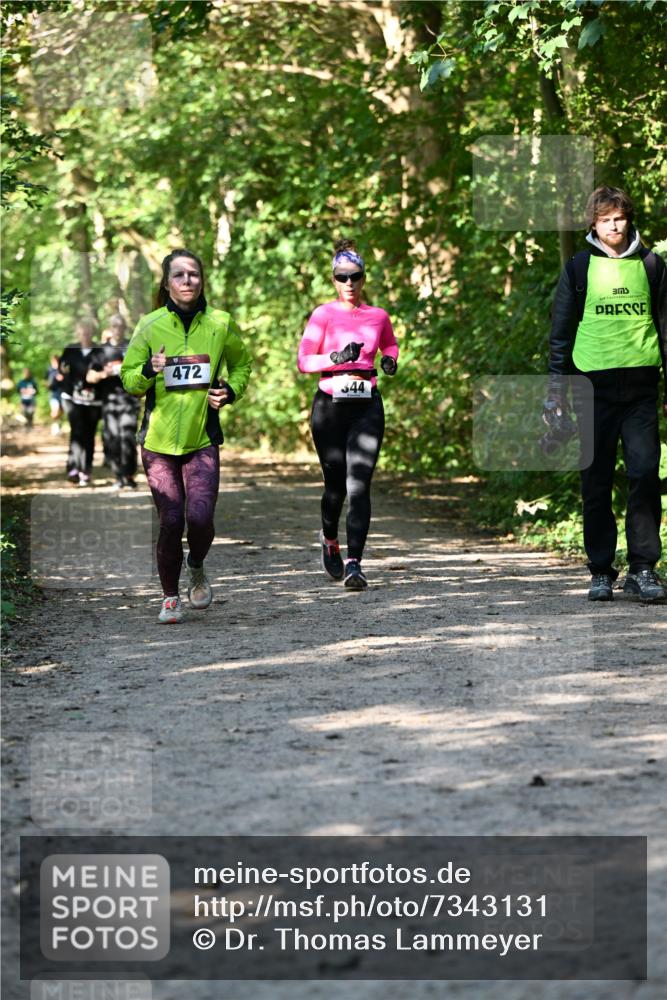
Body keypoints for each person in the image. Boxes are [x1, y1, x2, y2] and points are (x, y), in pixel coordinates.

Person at [546, 185, 667, 603]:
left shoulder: (652, 265)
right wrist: (555, 390)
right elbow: (560, 333)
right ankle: (600, 570)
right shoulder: (578, 267)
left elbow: (666, 329)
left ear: (628, 219)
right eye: (605, 219)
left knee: (645, 473)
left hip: (640, 390)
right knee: (595, 481)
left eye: (620, 217)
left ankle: (643, 568)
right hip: (590, 389)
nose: (614, 225)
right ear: (593, 224)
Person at [121, 248, 252, 624]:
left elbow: (242, 363)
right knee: (171, 520)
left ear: (202, 279)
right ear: (166, 283)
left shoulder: (221, 323)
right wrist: (150, 367)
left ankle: (196, 563)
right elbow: (129, 379)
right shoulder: (149, 325)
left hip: (202, 440)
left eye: (193, 274)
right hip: (158, 444)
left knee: (200, 518)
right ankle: (169, 598)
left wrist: (230, 390)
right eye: (178, 275)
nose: (187, 281)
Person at [297, 238, 399, 590]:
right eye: (342, 277)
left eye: (355, 276)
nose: (349, 284)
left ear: (364, 277)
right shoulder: (323, 315)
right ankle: (329, 538)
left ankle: (355, 563)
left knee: (360, 485)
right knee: (335, 486)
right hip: (330, 405)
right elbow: (304, 360)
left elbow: (391, 343)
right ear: (333, 279)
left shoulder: (378, 315)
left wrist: (390, 360)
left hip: (367, 405)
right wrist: (335, 359)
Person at [86, 314, 140, 489]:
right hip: (109, 401)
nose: (117, 328)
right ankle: (118, 476)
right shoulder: (101, 351)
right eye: (114, 325)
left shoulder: (132, 347)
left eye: (120, 325)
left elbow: (141, 371)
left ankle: (129, 475)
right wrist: (105, 374)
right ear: (110, 327)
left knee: (128, 438)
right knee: (113, 439)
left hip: (129, 400)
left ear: (124, 328)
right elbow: (90, 377)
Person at [59, 318, 102, 486]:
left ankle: (86, 469)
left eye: (88, 331)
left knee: (89, 434)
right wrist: (62, 370)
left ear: (93, 332)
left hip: (93, 400)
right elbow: (62, 368)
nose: (85, 334)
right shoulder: (71, 349)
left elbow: (104, 371)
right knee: (76, 431)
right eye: (82, 331)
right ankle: (73, 467)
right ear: (78, 332)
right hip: (72, 398)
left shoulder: (99, 350)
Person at [45, 354, 64, 435]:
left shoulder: (62, 370)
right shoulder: (49, 370)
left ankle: (58, 427)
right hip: (53, 393)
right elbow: (45, 381)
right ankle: (54, 427)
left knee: (60, 411)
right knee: (55, 410)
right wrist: (48, 385)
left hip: (62, 393)